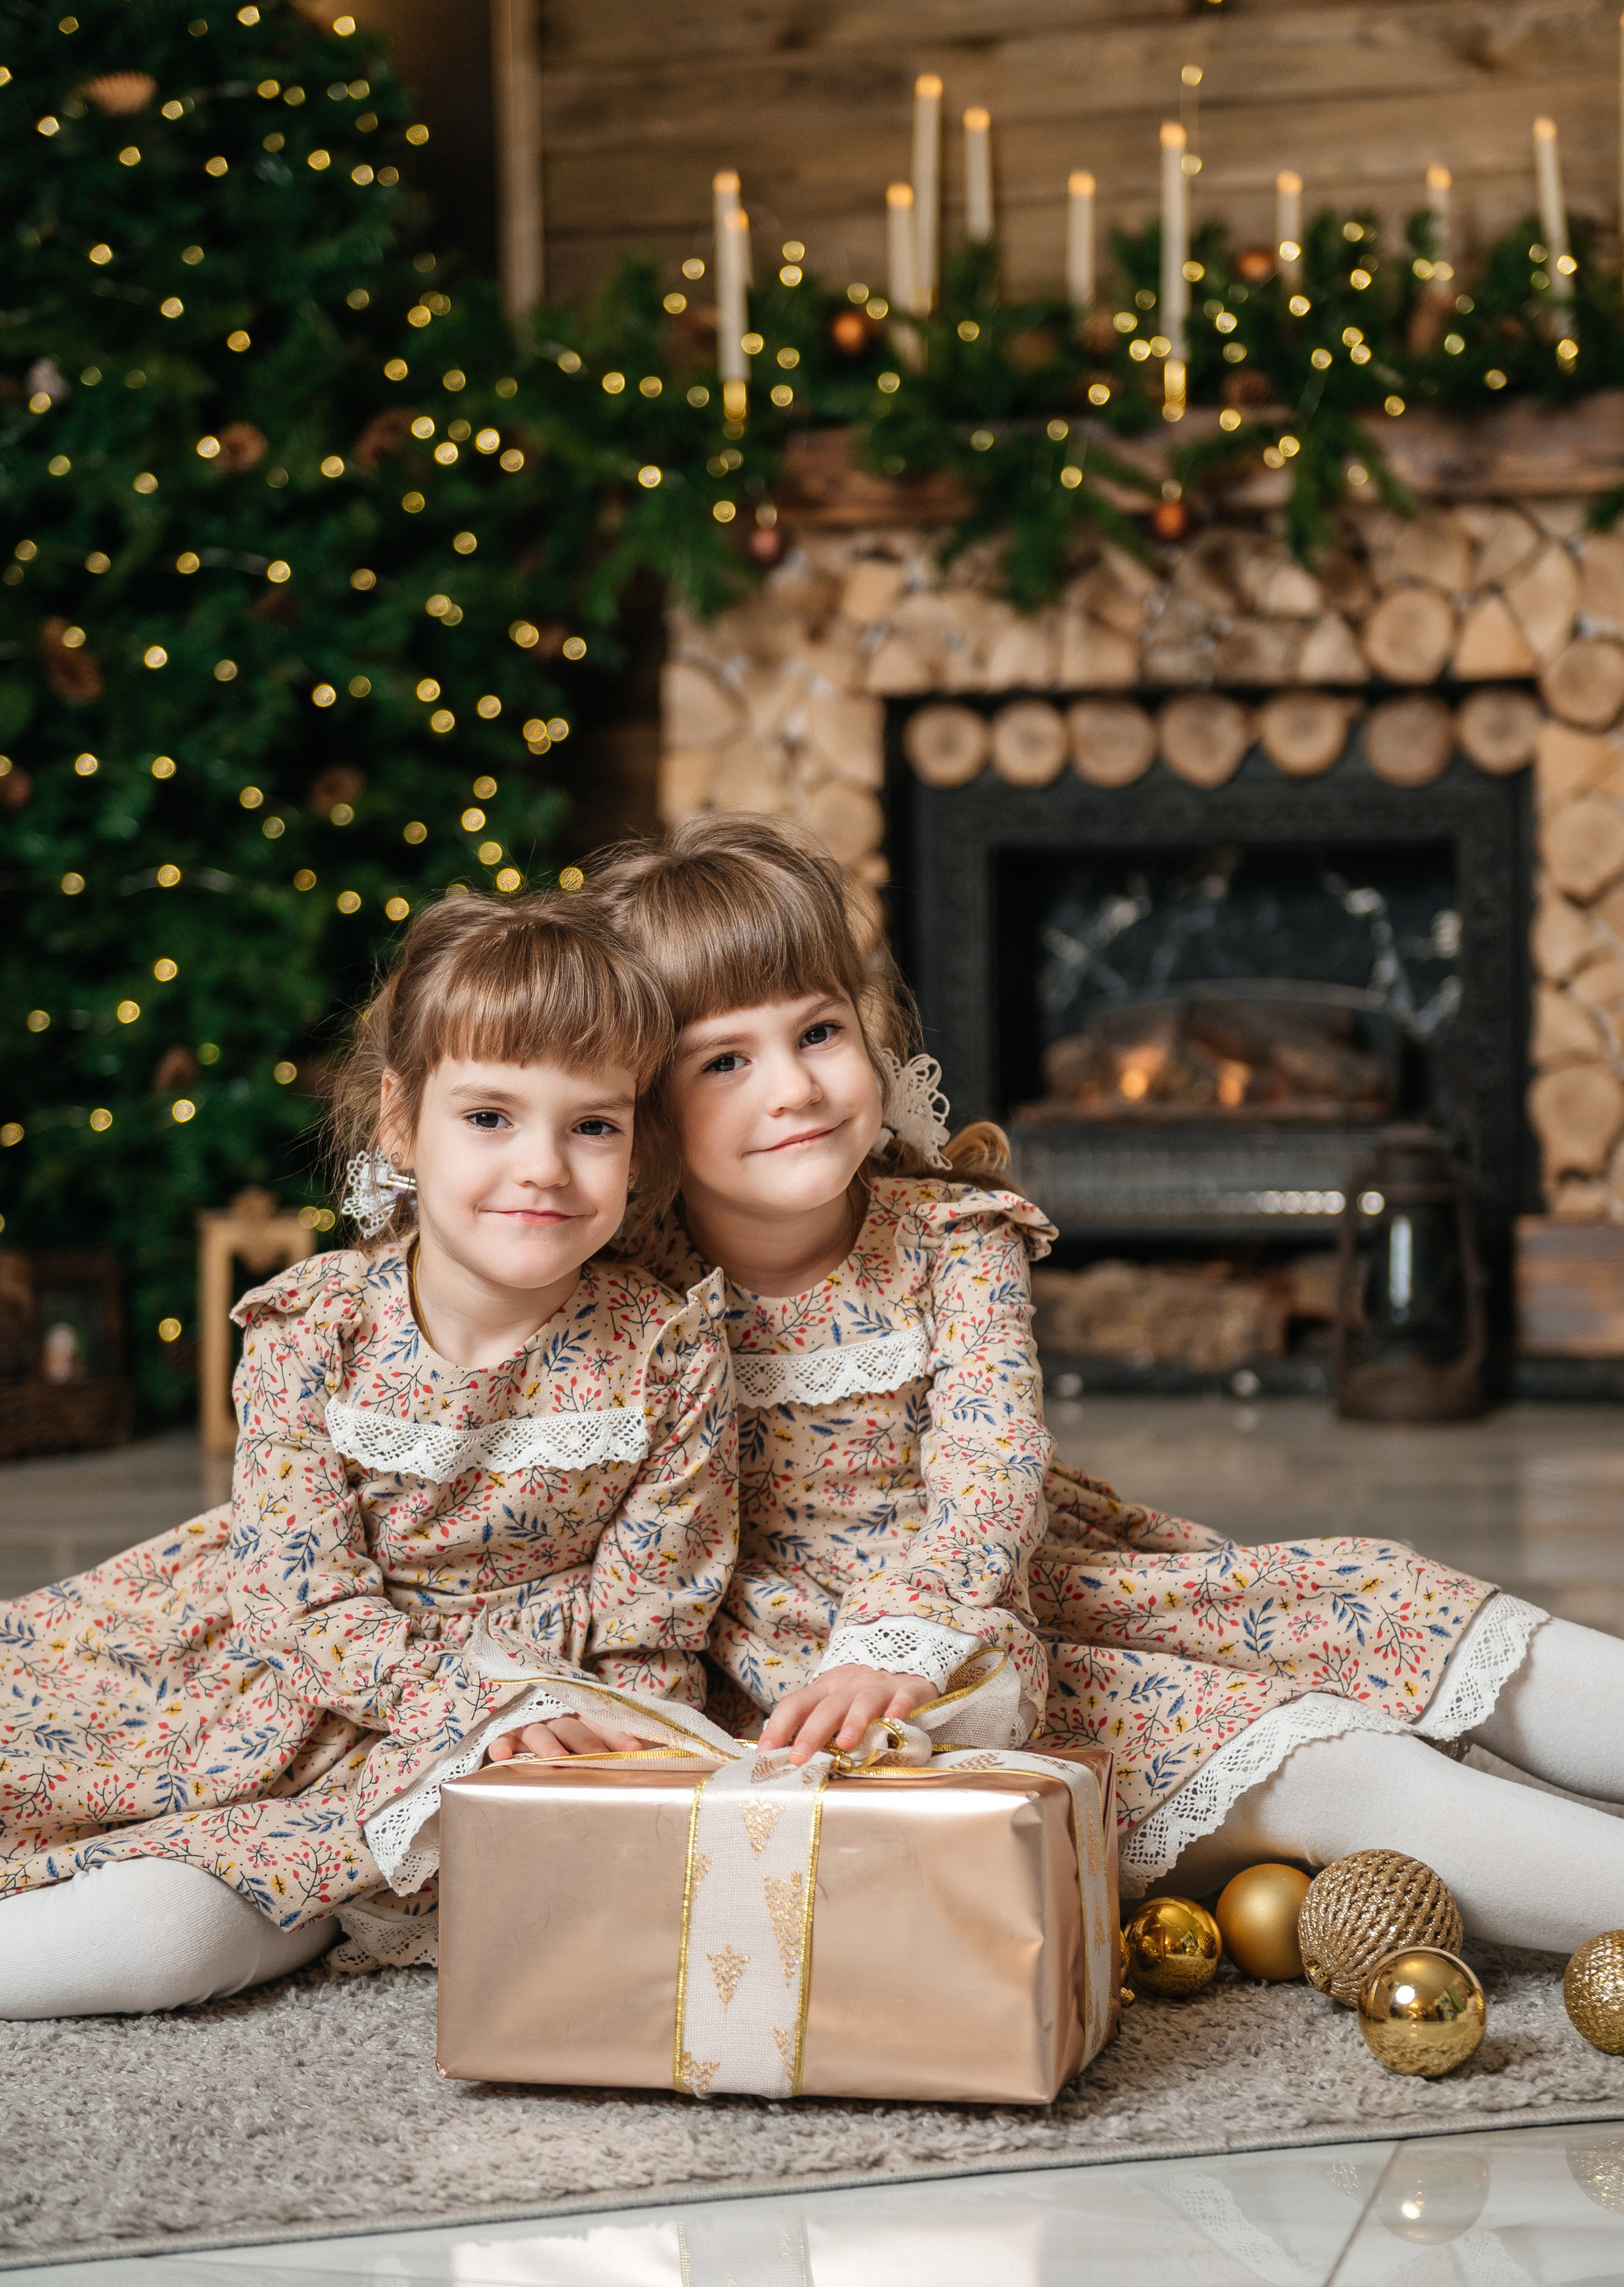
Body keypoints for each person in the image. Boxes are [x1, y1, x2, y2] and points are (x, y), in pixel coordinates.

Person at [594, 815, 1624, 1955]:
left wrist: (909, 1625)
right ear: (645, 1105)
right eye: (725, 1061)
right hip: (810, 1664)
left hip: (1007, 1580)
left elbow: (992, 1470)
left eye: (819, 1030)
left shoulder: (949, 1235)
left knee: (1383, 1596)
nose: (792, 1086)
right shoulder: (633, 1297)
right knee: (1332, 1761)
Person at [0, 891, 737, 2017]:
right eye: (490, 1116)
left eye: (592, 1124)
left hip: (524, 1737)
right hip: (283, 1688)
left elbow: (655, 1630)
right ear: (401, 1121)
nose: (544, 1165)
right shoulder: (313, 1329)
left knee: (167, 1940)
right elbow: (302, 1602)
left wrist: (609, 1771)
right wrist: (462, 1699)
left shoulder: (668, 1351)